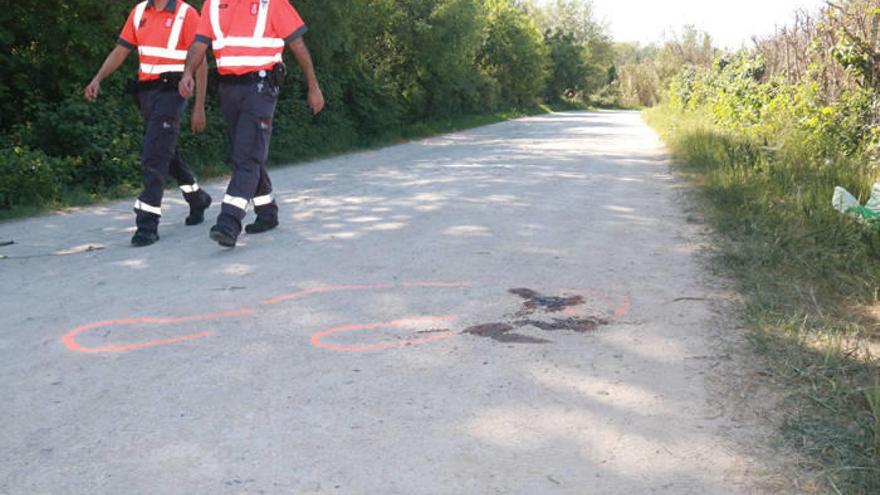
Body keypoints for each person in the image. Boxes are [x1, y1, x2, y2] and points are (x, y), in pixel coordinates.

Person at [178, 0, 324, 248]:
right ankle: (267, 212)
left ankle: (229, 221)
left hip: (261, 87)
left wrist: (314, 86)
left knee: (246, 156)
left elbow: (297, 44)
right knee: (248, 152)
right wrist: (187, 73)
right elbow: (200, 43)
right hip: (228, 88)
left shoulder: (271, 3)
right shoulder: (212, 4)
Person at [85, 0, 212, 247]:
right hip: (146, 93)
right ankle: (197, 198)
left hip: (173, 92)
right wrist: (97, 78)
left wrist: (199, 107)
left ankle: (147, 223)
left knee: (154, 156)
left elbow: (201, 63)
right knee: (166, 152)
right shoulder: (139, 12)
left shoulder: (186, 14)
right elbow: (121, 50)